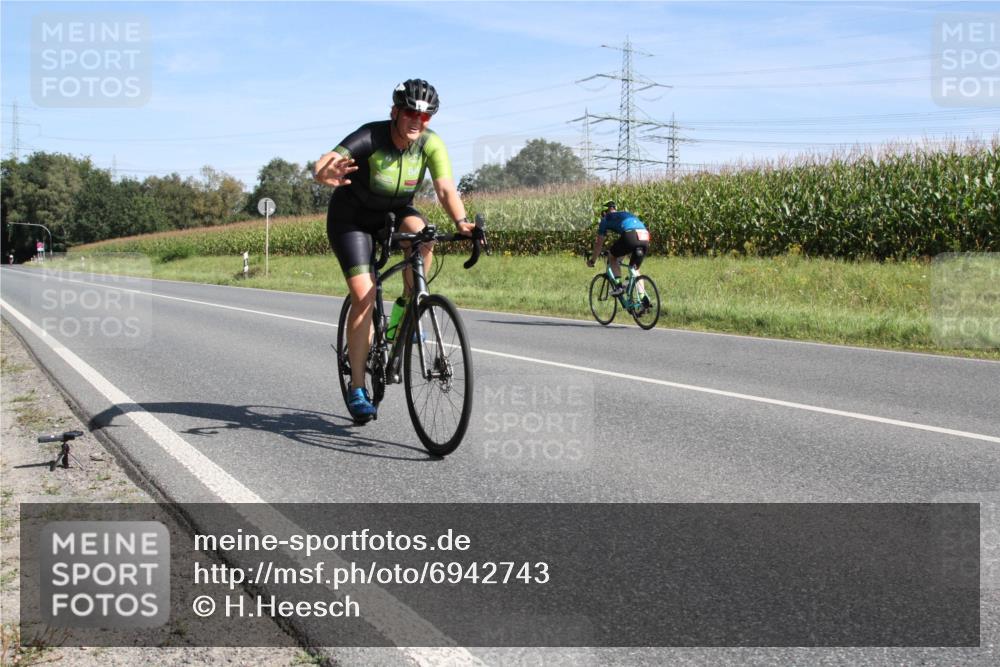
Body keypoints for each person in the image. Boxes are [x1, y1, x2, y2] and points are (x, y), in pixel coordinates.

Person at [313, 79, 475, 423]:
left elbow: (445, 189)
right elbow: (328, 160)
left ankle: (406, 308)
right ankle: (358, 387)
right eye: (410, 113)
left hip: (395, 212)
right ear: (395, 112)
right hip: (352, 219)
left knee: (425, 236)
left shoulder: (430, 144)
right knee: (364, 295)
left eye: (425, 116)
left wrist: (462, 222)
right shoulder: (371, 136)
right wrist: (323, 171)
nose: (417, 121)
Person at [587, 201, 651, 298]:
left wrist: (593, 260)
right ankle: (643, 299)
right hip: (645, 236)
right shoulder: (625, 214)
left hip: (630, 235)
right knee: (635, 269)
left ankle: (619, 287)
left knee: (612, 257)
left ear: (604, 212)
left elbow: (599, 243)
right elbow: (625, 247)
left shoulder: (606, 219)